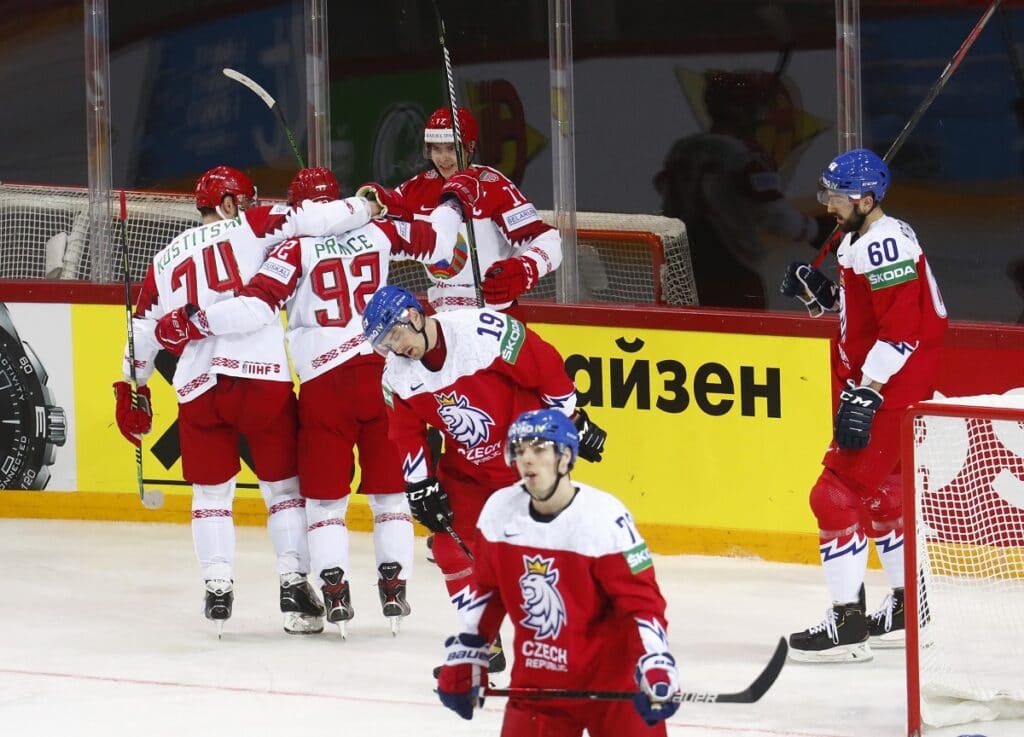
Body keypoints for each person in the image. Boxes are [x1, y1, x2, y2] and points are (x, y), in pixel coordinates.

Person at [149, 166, 469, 637]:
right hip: (382, 375)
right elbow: (440, 244)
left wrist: (196, 320)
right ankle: (394, 584)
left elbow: (258, 304)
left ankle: (330, 588)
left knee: (323, 503)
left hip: (324, 383)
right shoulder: (380, 231)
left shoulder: (290, 247)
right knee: (390, 496)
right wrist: (453, 200)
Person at [114, 165, 375, 636]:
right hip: (259, 378)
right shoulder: (254, 226)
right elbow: (315, 219)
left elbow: (141, 334)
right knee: (284, 489)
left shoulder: (164, 259)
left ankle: (217, 588)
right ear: (231, 203)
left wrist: (133, 389)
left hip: (197, 387)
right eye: (247, 199)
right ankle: (294, 589)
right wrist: (368, 206)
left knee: (210, 496)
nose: (254, 205)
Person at [359, 287, 608, 656]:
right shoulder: (396, 375)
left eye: (396, 336)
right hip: (469, 468)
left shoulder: (482, 332)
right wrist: (420, 485)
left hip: (526, 456)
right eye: (386, 344)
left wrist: (571, 418)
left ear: (413, 316)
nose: (396, 348)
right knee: (447, 545)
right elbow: (406, 434)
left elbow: (545, 366)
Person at [780, 148, 948, 661]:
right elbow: (868, 315)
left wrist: (867, 392)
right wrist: (821, 295)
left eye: (837, 196)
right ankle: (903, 608)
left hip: (893, 387)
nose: (828, 203)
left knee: (833, 496)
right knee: (885, 497)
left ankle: (847, 623)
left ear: (866, 198)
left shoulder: (884, 243)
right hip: (894, 382)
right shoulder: (866, 237)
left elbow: (902, 331)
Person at [434, 409, 678, 735]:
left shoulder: (604, 519)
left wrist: (656, 661)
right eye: (520, 451)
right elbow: (488, 594)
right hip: (540, 681)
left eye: (539, 449)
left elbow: (642, 606)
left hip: (615, 685)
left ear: (565, 457)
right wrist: (469, 655)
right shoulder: (499, 512)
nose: (528, 460)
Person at [360, 106, 562, 317]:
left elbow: (548, 240)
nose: (443, 158)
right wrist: (370, 207)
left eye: (450, 148)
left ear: (470, 147)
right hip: (443, 317)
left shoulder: (492, 186)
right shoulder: (416, 189)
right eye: (436, 149)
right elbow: (390, 236)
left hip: (495, 314)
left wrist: (525, 268)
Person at [654, 69, 831, 308]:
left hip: (681, 272)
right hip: (729, 274)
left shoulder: (682, 149)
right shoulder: (741, 156)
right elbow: (774, 215)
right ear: (738, 109)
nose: (761, 110)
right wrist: (817, 230)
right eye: (753, 103)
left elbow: (662, 186)